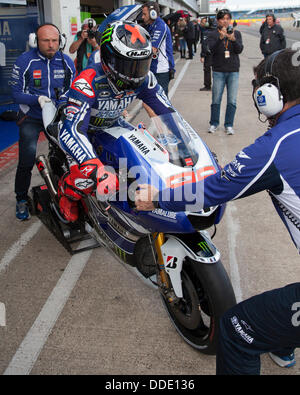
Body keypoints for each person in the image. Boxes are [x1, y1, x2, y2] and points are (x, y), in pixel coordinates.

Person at [134, 48, 300, 375]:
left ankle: (273, 338)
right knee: (279, 309)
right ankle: (283, 341)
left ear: (270, 94)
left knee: (236, 329)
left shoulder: (276, 146)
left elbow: (212, 189)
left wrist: (156, 196)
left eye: (257, 87)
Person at [55, 21, 176, 223]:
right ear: (110, 58)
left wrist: (190, 149)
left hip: (112, 124)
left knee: (150, 157)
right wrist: (97, 169)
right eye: (130, 65)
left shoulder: (146, 78)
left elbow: (168, 111)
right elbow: (72, 131)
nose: (137, 72)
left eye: (142, 64)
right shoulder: (88, 80)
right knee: (86, 178)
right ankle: (66, 195)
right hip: (80, 129)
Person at [10, 23, 75, 221]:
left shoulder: (66, 62)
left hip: (55, 116)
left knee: (64, 157)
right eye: (46, 40)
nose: (51, 45)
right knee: (27, 160)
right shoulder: (24, 61)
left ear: (60, 41)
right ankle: (21, 199)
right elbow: (15, 94)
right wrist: (35, 99)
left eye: (54, 40)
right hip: (31, 117)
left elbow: (75, 90)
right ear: (35, 41)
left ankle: (62, 192)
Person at [207, 8, 243, 135]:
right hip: (218, 71)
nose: (225, 21)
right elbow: (210, 50)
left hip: (233, 71)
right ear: (218, 21)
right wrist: (220, 38)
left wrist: (233, 40)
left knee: (232, 100)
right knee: (216, 99)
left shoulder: (236, 33)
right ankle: (214, 123)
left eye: (227, 19)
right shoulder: (213, 34)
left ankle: (229, 125)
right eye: (222, 19)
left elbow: (239, 50)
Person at [141, 1, 175, 97]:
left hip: (160, 70)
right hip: (152, 69)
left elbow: (152, 50)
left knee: (160, 104)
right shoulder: (149, 26)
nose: (142, 17)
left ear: (153, 13)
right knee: (151, 103)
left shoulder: (160, 26)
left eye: (144, 14)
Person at [199, 17, 215, 91]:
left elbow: (204, 45)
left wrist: (202, 55)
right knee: (216, 71)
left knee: (207, 70)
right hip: (217, 54)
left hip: (208, 54)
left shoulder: (206, 32)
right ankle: (217, 86)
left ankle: (207, 86)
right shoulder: (218, 32)